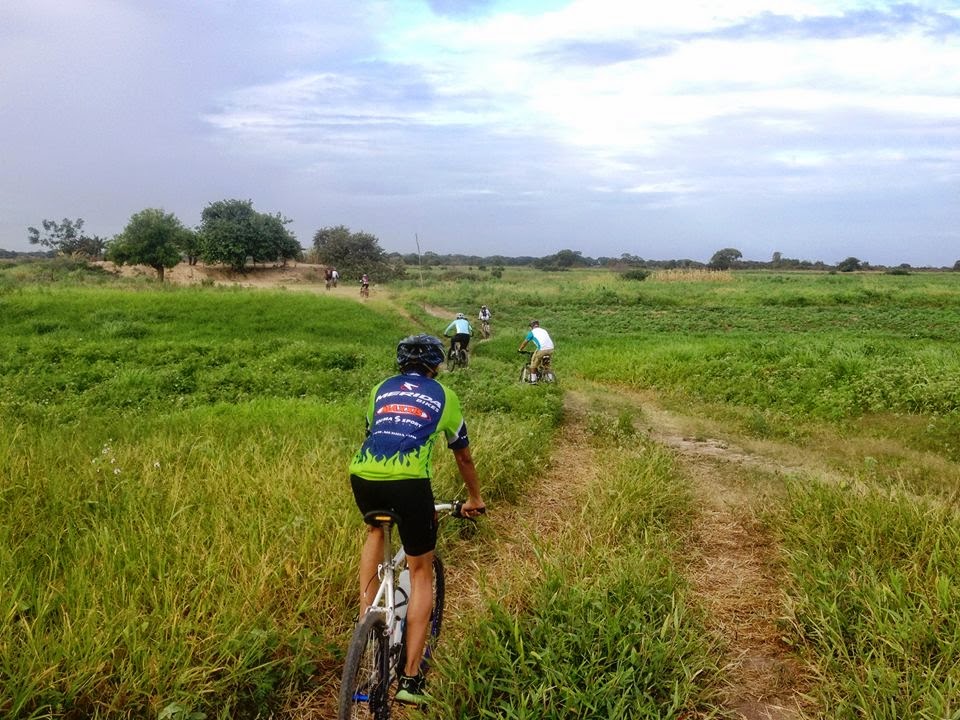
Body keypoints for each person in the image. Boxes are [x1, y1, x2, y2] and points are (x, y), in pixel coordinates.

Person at [349, 335, 485, 705]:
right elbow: (464, 458)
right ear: (436, 366)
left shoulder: (380, 388)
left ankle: (367, 617)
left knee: (375, 528)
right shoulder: (444, 395)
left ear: (400, 364)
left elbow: (374, 434)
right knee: (420, 569)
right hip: (410, 484)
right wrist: (474, 497)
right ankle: (411, 680)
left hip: (362, 476)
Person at [518, 320, 555, 384]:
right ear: (538, 325)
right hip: (551, 349)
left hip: (542, 349)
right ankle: (550, 380)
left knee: (533, 364)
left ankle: (533, 381)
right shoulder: (544, 330)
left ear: (531, 326)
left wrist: (520, 349)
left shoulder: (532, 333)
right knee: (546, 365)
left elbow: (525, 343)